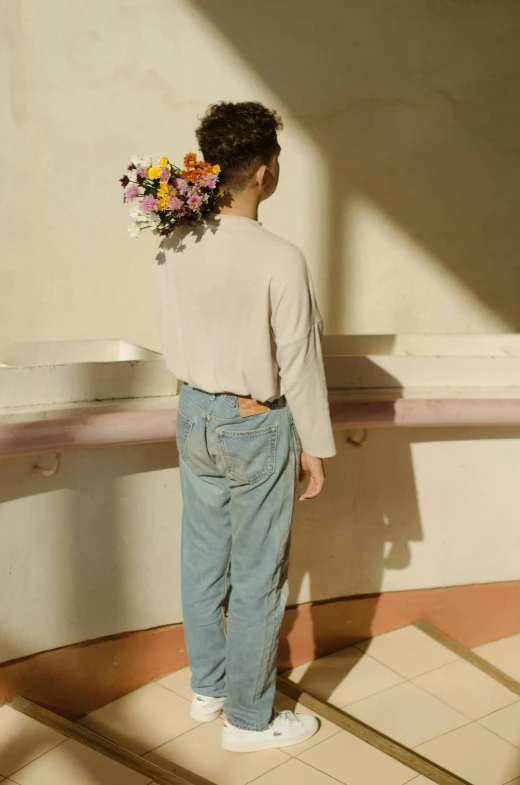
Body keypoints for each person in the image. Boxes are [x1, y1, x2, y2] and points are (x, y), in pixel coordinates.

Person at [154, 100, 336, 753]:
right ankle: (249, 720)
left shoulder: (174, 233)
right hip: (254, 423)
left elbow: (170, 317)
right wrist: (315, 446)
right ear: (263, 170)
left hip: (192, 412)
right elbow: (300, 361)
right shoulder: (278, 256)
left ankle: (209, 688)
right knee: (259, 572)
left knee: (202, 556)